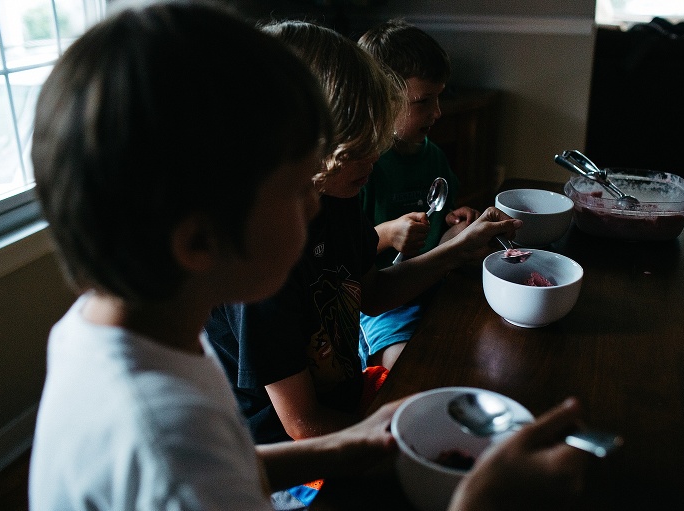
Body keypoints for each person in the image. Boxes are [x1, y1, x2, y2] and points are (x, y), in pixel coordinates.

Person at [27, 2, 591, 510]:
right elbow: (203, 470)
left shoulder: (113, 335)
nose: (315, 206)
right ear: (199, 241)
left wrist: (345, 446)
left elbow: (233, 462)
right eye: (298, 189)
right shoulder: (173, 459)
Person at [204, 19, 521, 449]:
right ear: (299, 143)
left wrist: (455, 250)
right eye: (358, 148)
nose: (376, 155)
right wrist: (415, 441)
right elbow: (303, 426)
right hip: (290, 457)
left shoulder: (337, 192)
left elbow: (368, 291)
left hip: (346, 406)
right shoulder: (260, 263)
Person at [357, 18, 479, 371]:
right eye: (423, 101)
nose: (437, 112)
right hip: (383, 302)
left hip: (433, 282)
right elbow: (346, 252)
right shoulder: (363, 169)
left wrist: (455, 226)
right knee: (407, 367)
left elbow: (440, 225)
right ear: (381, 98)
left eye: (439, 97)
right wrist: (387, 234)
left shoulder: (434, 157)